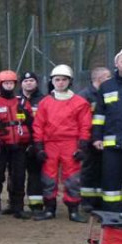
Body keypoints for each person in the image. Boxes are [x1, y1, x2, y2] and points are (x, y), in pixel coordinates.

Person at [33, 65, 92, 222]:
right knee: (48, 178)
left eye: (64, 79)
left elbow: (85, 125)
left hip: (70, 143)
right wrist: (39, 147)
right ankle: (49, 209)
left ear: (70, 81)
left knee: (72, 178)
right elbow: (38, 125)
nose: (60, 83)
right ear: (52, 81)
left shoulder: (80, 103)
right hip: (50, 144)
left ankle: (73, 210)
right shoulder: (45, 103)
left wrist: (82, 147)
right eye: (57, 79)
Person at [92, 49, 122, 211]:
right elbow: (99, 115)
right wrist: (96, 137)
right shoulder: (106, 86)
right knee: (111, 179)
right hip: (111, 144)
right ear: (116, 64)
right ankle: (111, 211)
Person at [0, 70, 32, 220]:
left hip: (19, 145)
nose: (8, 86)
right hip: (1, 145)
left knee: (19, 176)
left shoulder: (21, 102)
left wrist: (31, 142)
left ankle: (18, 207)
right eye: (5, 83)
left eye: (11, 83)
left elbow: (31, 122)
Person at [80, 66, 111, 211]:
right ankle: (86, 201)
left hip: (106, 138)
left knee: (104, 169)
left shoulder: (107, 93)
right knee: (88, 169)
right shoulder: (84, 96)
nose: (110, 80)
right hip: (88, 139)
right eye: (108, 77)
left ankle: (99, 201)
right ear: (99, 79)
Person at [19, 71, 45, 215]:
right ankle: (15, 204)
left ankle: (36, 205)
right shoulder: (15, 100)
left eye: (32, 80)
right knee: (16, 175)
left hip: (36, 142)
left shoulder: (44, 100)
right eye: (26, 80)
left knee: (35, 174)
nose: (29, 83)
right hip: (18, 142)